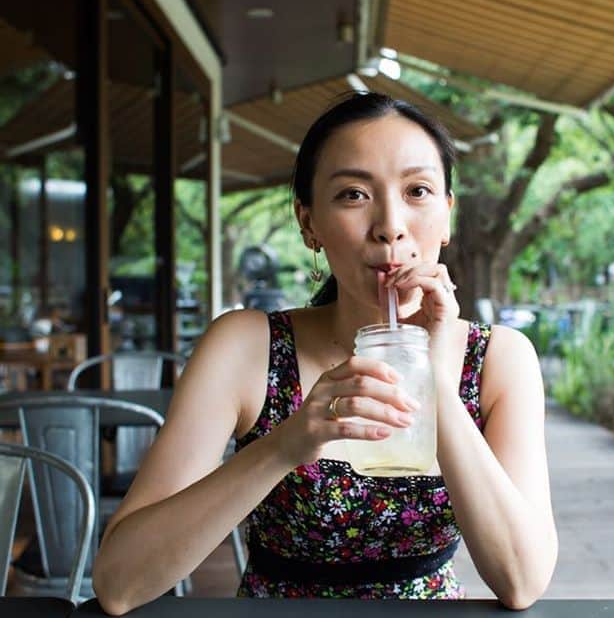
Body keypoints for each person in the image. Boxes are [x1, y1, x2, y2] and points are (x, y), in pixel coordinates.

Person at [92, 92, 557, 613]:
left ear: (447, 216)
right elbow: (119, 582)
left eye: (418, 190)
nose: (390, 225)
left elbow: (521, 579)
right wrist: (288, 443)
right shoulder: (247, 347)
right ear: (308, 222)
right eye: (353, 194)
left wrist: (435, 380)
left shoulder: (499, 359)